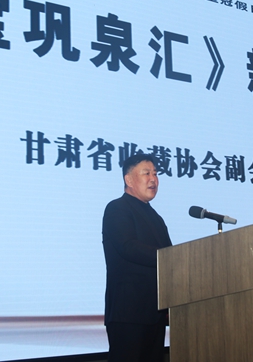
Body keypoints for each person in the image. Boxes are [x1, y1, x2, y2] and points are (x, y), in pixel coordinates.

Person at [102, 153, 172, 362]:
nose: (153, 179)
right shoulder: (117, 208)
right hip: (128, 313)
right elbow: (127, 247)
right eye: (146, 173)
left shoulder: (156, 217)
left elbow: (170, 256)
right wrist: (170, 257)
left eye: (155, 174)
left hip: (155, 313)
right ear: (129, 180)